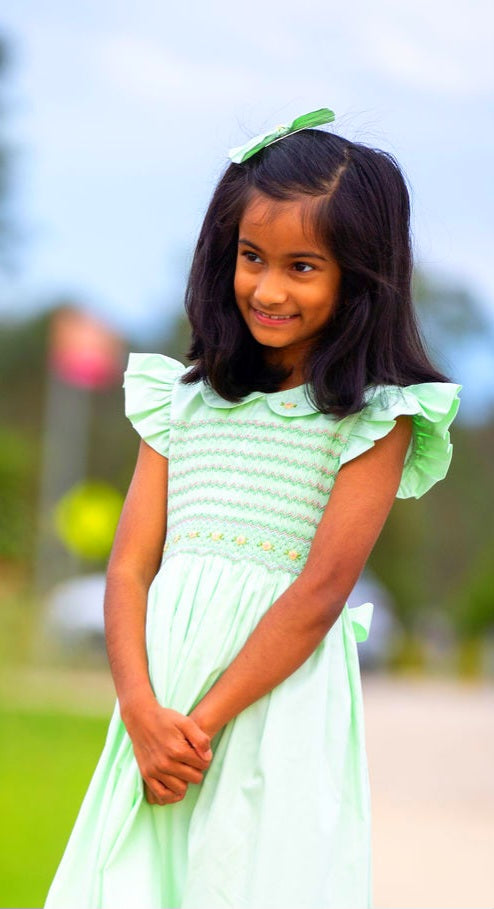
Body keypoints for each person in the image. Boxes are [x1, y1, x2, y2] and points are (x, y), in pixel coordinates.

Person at [44, 108, 462, 909]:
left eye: (302, 266)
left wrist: (196, 729)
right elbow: (131, 566)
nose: (266, 289)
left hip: (269, 707)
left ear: (359, 275)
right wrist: (142, 712)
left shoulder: (376, 419)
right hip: (156, 709)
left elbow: (318, 594)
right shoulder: (182, 400)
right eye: (251, 257)